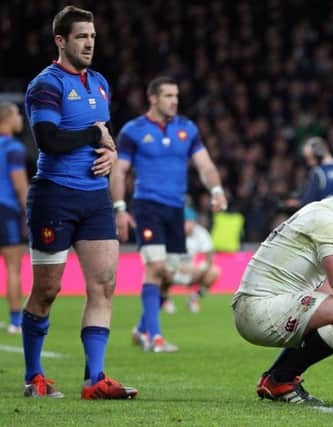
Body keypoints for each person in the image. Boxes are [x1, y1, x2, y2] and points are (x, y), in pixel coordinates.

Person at [22, 6, 137, 399]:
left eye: (92, 36)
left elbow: (103, 136)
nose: (89, 43)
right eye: (81, 37)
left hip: (95, 200)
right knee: (47, 290)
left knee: (104, 285)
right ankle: (34, 376)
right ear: (61, 40)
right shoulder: (46, 85)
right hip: (54, 195)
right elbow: (49, 141)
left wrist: (110, 154)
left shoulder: (100, 83)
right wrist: (93, 137)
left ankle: (95, 379)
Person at [233, 181, 333, 404]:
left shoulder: (320, 211)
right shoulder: (331, 225)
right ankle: (281, 380)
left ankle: (274, 378)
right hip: (260, 310)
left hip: (256, 305)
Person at [111, 76, 227, 353]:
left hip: (176, 209)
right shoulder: (134, 130)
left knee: (169, 273)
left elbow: (205, 165)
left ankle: (141, 329)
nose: (174, 101)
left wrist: (217, 190)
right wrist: (119, 208)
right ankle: (155, 337)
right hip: (147, 206)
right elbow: (119, 171)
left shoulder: (187, 128)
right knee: (156, 268)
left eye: (176, 96)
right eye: (168, 96)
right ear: (153, 98)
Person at [0, 102, 28, 336]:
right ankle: (15, 321)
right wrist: (29, 211)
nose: (21, 119)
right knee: (13, 266)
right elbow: (19, 183)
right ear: (8, 117)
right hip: (5, 207)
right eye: (18, 114)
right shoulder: (13, 147)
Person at [159, 206, 221, 314]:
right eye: (187, 222)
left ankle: (193, 298)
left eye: (192, 222)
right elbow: (160, 257)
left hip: (192, 273)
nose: (190, 225)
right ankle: (165, 299)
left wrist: (202, 268)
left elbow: (209, 255)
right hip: (172, 270)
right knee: (158, 272)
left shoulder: (200, 232)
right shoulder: (169, 233)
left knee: (214, 272)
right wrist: (177, 268)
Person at [286, 137, 333, 208]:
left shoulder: (319, 172)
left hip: (327, 214)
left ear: (318, 155)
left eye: (309, 158)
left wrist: (294, 203)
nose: (309, 163)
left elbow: (308, 201)